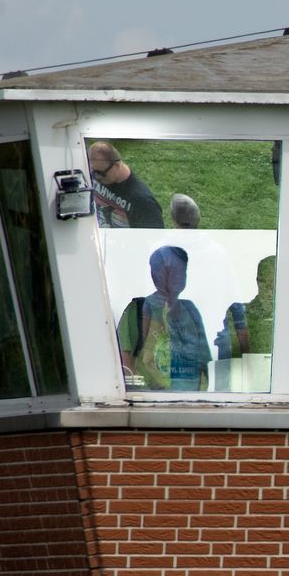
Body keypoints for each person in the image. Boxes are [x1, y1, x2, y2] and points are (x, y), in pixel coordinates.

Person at [118, 245, 210, 390]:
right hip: (150, 401)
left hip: (194, 400)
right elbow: (125, 365)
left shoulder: (190, 310)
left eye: (179, 270)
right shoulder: (137, 311)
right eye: (166, 270)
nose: (173, 276)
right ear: (154, 275)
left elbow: (205, 362)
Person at [88, 141, 164, 228]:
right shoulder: (101, 177)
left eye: (100, 173)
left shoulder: (144, 203)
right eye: (93, 172)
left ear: (117, 165)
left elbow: (153, 235)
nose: (96, 177)